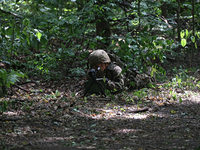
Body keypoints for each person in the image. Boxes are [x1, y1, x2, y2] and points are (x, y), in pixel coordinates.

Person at [87, 49, 155, 93]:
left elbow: (119, 87)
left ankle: (148, 59)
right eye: (94, 66)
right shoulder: (94, 71)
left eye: (99, 66)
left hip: (135, 82)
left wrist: (106, 81)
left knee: (149, 78)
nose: (96, 69)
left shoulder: (116, 69)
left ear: (106, 64)